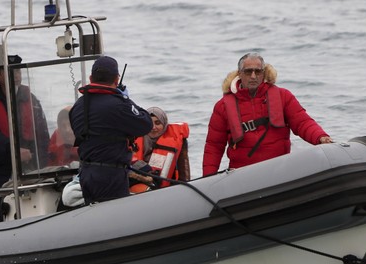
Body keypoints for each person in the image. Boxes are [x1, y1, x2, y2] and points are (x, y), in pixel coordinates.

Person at [202, 52, 333, 176]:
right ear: (240, 74)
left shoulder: (283, 96)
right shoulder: (223, 106)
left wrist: (320, 137)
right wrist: (207, 181)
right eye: (248, 72)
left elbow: (302, 122)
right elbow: (214, 146)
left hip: (279, 170)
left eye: (257, 71)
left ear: (263, 74)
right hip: (241, 176)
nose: (253, 76)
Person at [0, 54, 50, 224]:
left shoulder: (31, 98)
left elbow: (42, 134)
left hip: (27, 169)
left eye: (18, 72)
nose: (16, 76)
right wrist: (14, 151)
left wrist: (43, 164)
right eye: (10, 72)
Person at [69, 55, 153, 203]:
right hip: (111, 175)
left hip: (86, 174)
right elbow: (146, 123)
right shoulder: (119, 105)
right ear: (116, 79)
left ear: (90, 78)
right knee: (116, 220)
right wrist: (126, 99)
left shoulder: (77, 107)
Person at [129, 107, 190, 191]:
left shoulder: (177, 141)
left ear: (164, 124)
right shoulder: (133, 139)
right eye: (150, 123)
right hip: (138, 185)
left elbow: (184, 172)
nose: (153, 127)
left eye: (158, 123)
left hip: (168, 188)